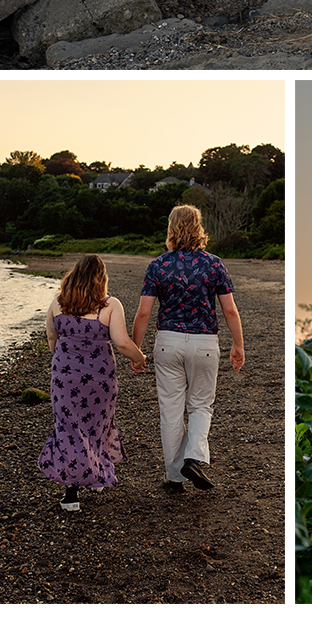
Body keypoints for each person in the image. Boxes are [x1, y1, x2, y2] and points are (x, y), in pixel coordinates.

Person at [131, 204, 245, 493]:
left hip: (168, 342)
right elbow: (230, 310)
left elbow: (143, 313)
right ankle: (193, 457)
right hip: (204, 342)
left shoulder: (158, 265)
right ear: (199, 228)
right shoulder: (214, 264)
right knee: (201, 405)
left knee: (170, 409)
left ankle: (174, 477)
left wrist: (135, 350)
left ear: (171, 228)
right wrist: (238, 344)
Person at [39, 254, 147, 512]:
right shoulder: (110, 305)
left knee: (68, 428)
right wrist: (140, 358)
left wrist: (61, 361)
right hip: (100, 379)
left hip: (65, 377)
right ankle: (94, 475)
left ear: (74, 275)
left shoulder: (58, 302)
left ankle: (72, 493)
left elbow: (51, 337)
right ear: (101, 279)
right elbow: (122, 342)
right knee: (97, 425)